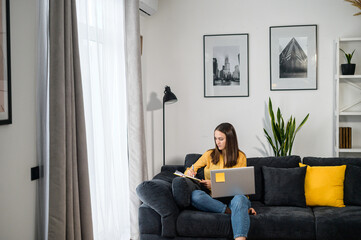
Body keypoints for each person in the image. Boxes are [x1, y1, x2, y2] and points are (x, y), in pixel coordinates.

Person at [185, 122, 256, 240]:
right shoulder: (209, 154)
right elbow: (192, 168)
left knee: (240, 200)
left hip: (235, 197)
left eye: (221, 139)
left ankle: (239, 216)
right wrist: (189, 172)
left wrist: (214, 184)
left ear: (230, 139)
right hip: (213, 199)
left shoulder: (240, 157)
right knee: (195, 196)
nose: (217, 142)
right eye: (216, 138)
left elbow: (241, 183)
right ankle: (232, 211)